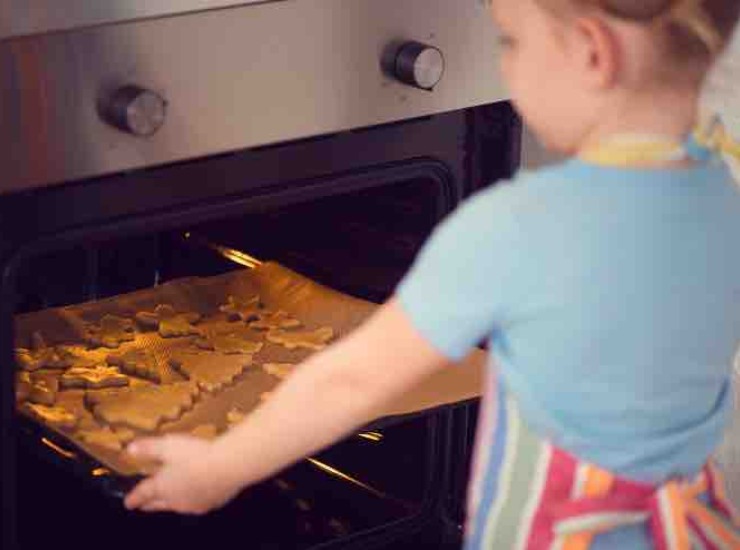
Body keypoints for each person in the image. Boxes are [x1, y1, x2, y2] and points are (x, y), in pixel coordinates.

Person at [125, 0, 740, 547]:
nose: (505, 66)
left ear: (591, 51)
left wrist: (219, 468)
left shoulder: (521, 227)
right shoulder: (725, 184)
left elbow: (352, 380)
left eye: (511, 40)